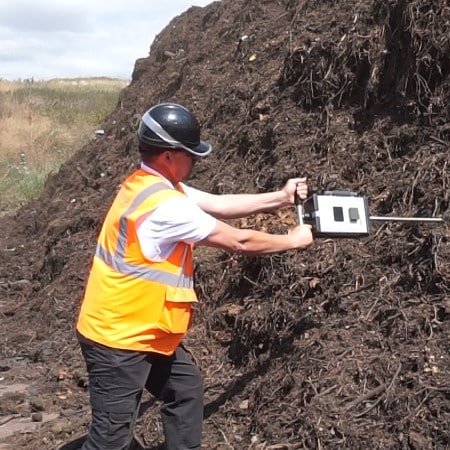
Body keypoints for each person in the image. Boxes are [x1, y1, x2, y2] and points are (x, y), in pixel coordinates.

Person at [76, 102, 313, 450]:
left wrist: (280, 197)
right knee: (109, 439)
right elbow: (238, 240)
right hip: (117, 339)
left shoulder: (150, 183)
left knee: (184, 390)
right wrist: (292, 240)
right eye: (191, 154)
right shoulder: (165, 205)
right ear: (169, 156)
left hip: (146, 330)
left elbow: (220, 204)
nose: (197, 161)